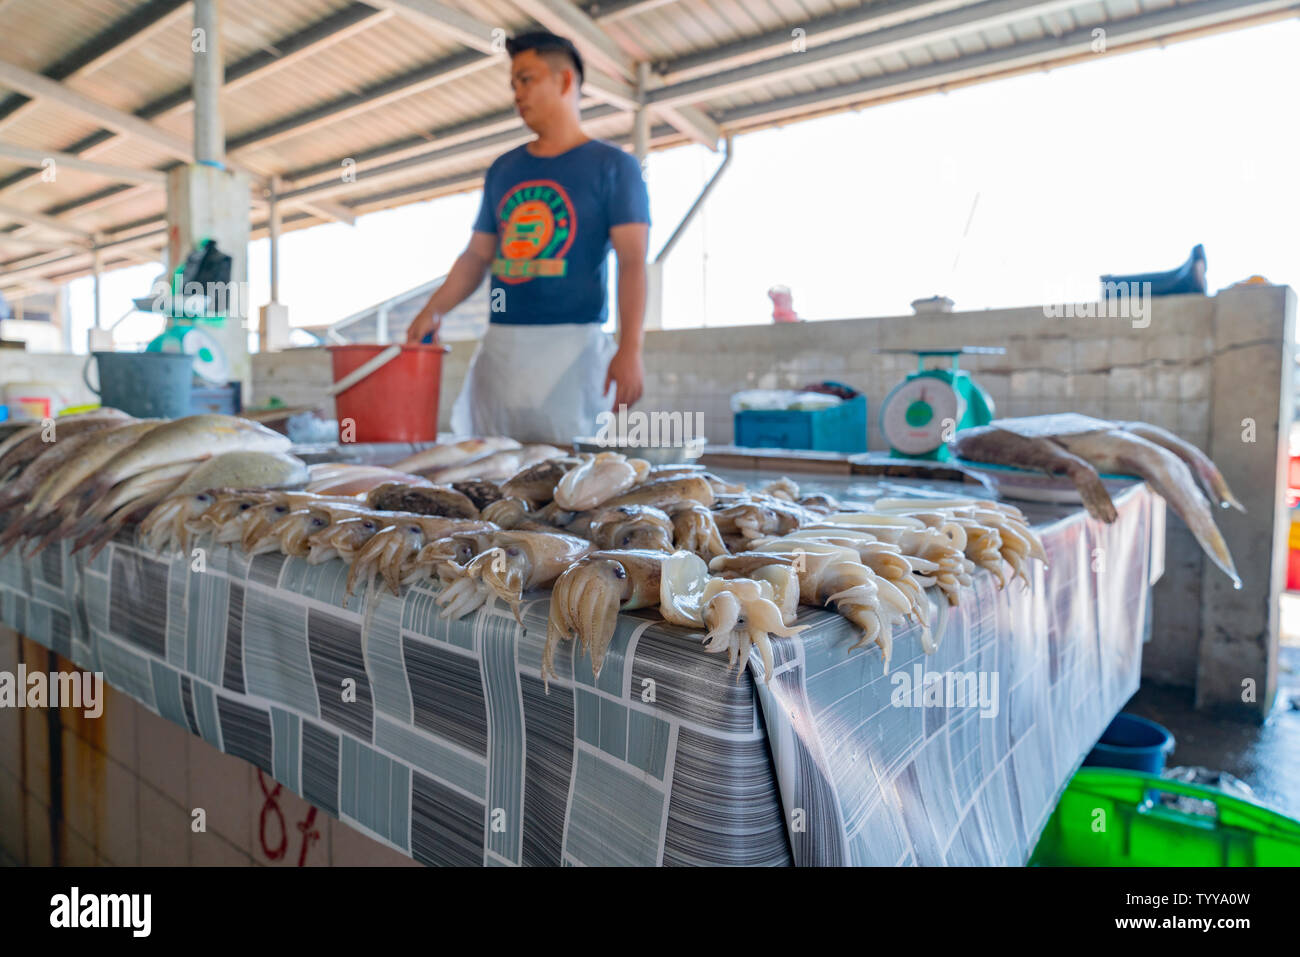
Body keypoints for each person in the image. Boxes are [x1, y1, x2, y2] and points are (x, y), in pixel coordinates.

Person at [406, 31, 650, 443]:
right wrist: (433, 309)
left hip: (573, 349)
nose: (517, 93)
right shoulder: (504, 169)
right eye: (513, 84)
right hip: (502, 349)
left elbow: (632, 261)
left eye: (527, 79)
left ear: (565, 80)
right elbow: (477, 256)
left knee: (569, 470)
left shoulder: (613, 167)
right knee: (492, 467)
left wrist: (630, 349)